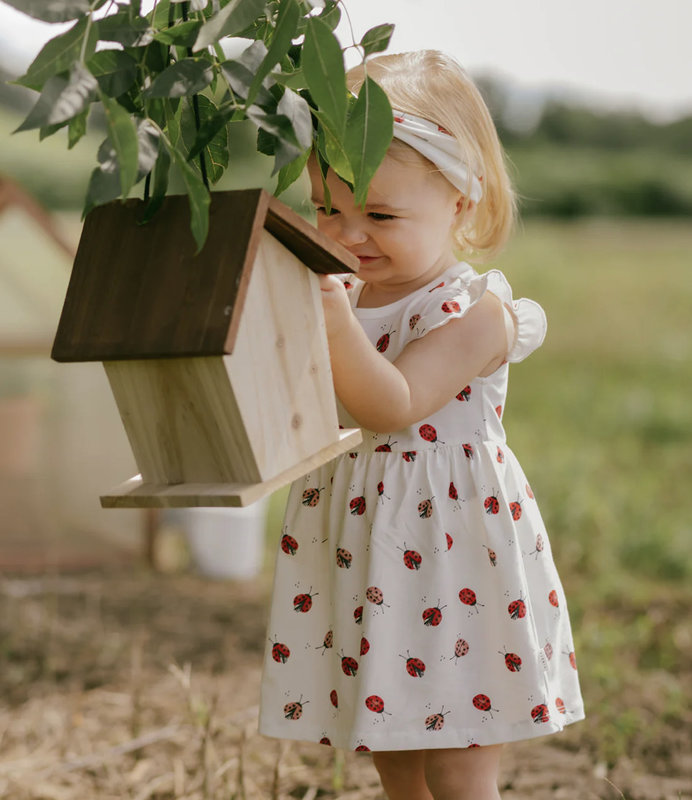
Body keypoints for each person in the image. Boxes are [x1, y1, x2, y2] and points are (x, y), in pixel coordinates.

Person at [258, 50, 584, 800]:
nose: (348, 234)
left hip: (450, 558)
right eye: (325, 208)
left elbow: (393, 404)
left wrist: (331, 315)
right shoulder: (342, 297)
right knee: (392, 745)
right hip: (365, 550)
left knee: (461, 765)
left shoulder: (477, 313)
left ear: (460, 205)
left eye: (379, 214)